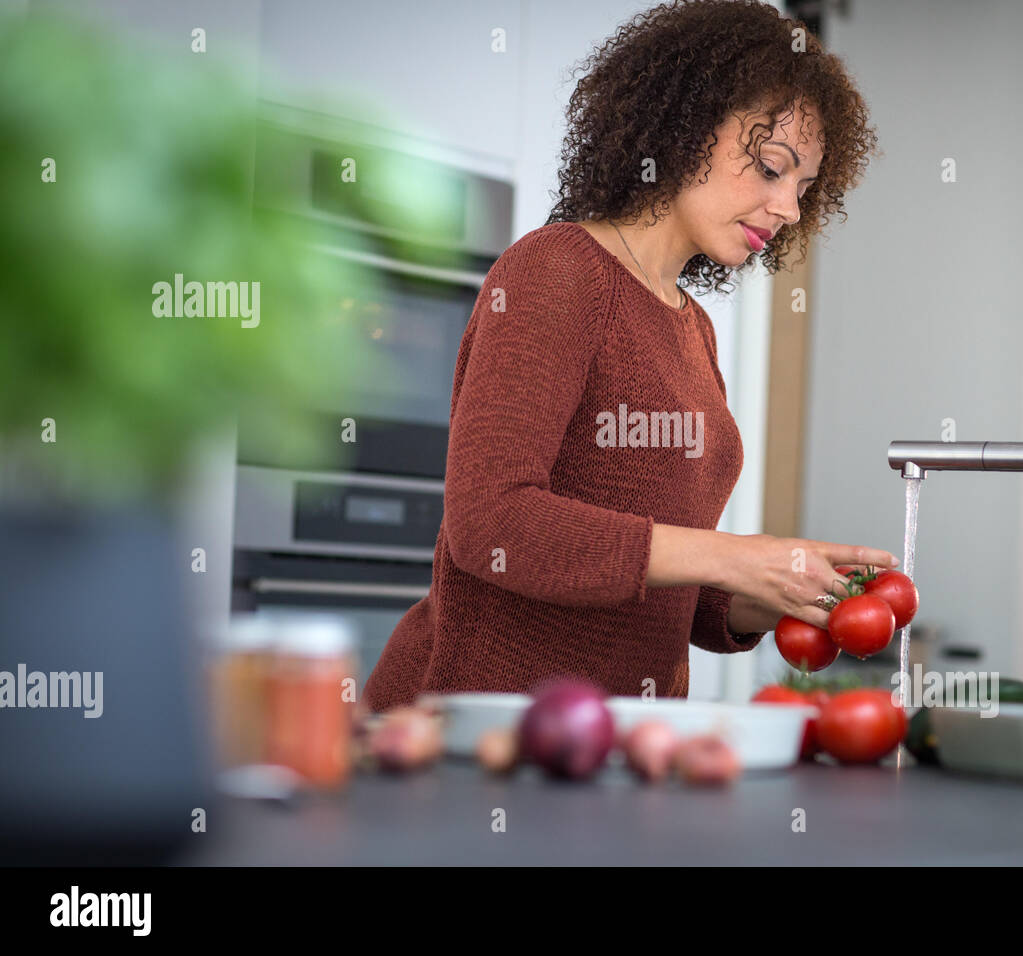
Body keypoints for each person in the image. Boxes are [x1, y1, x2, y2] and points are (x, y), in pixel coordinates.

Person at [363, 0, 888, 711]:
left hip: (615, 742)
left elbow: (660, 587)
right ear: (683, 125)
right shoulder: (557, 271)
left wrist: (777, 592)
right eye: (771, 166)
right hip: (481, 727)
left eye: (803, 187)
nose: (790, 208)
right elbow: (491, 524)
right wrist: (735, 554)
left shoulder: (692, 328)